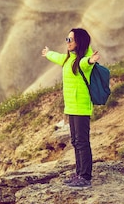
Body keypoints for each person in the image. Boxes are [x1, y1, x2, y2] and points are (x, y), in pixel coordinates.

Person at [41, 28, 100, 188]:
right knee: (75, 141)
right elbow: (58, 57)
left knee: (82, 142)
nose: (67, 42)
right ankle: (79, 173)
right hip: (72, 107)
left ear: (79, 42)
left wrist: (91, 61)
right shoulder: (68, 59)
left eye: (70, 40)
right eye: (66, 39)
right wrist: (48, 53)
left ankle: (85, 177)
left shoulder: (82, 61)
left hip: (81, 107)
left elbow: (85, 63)